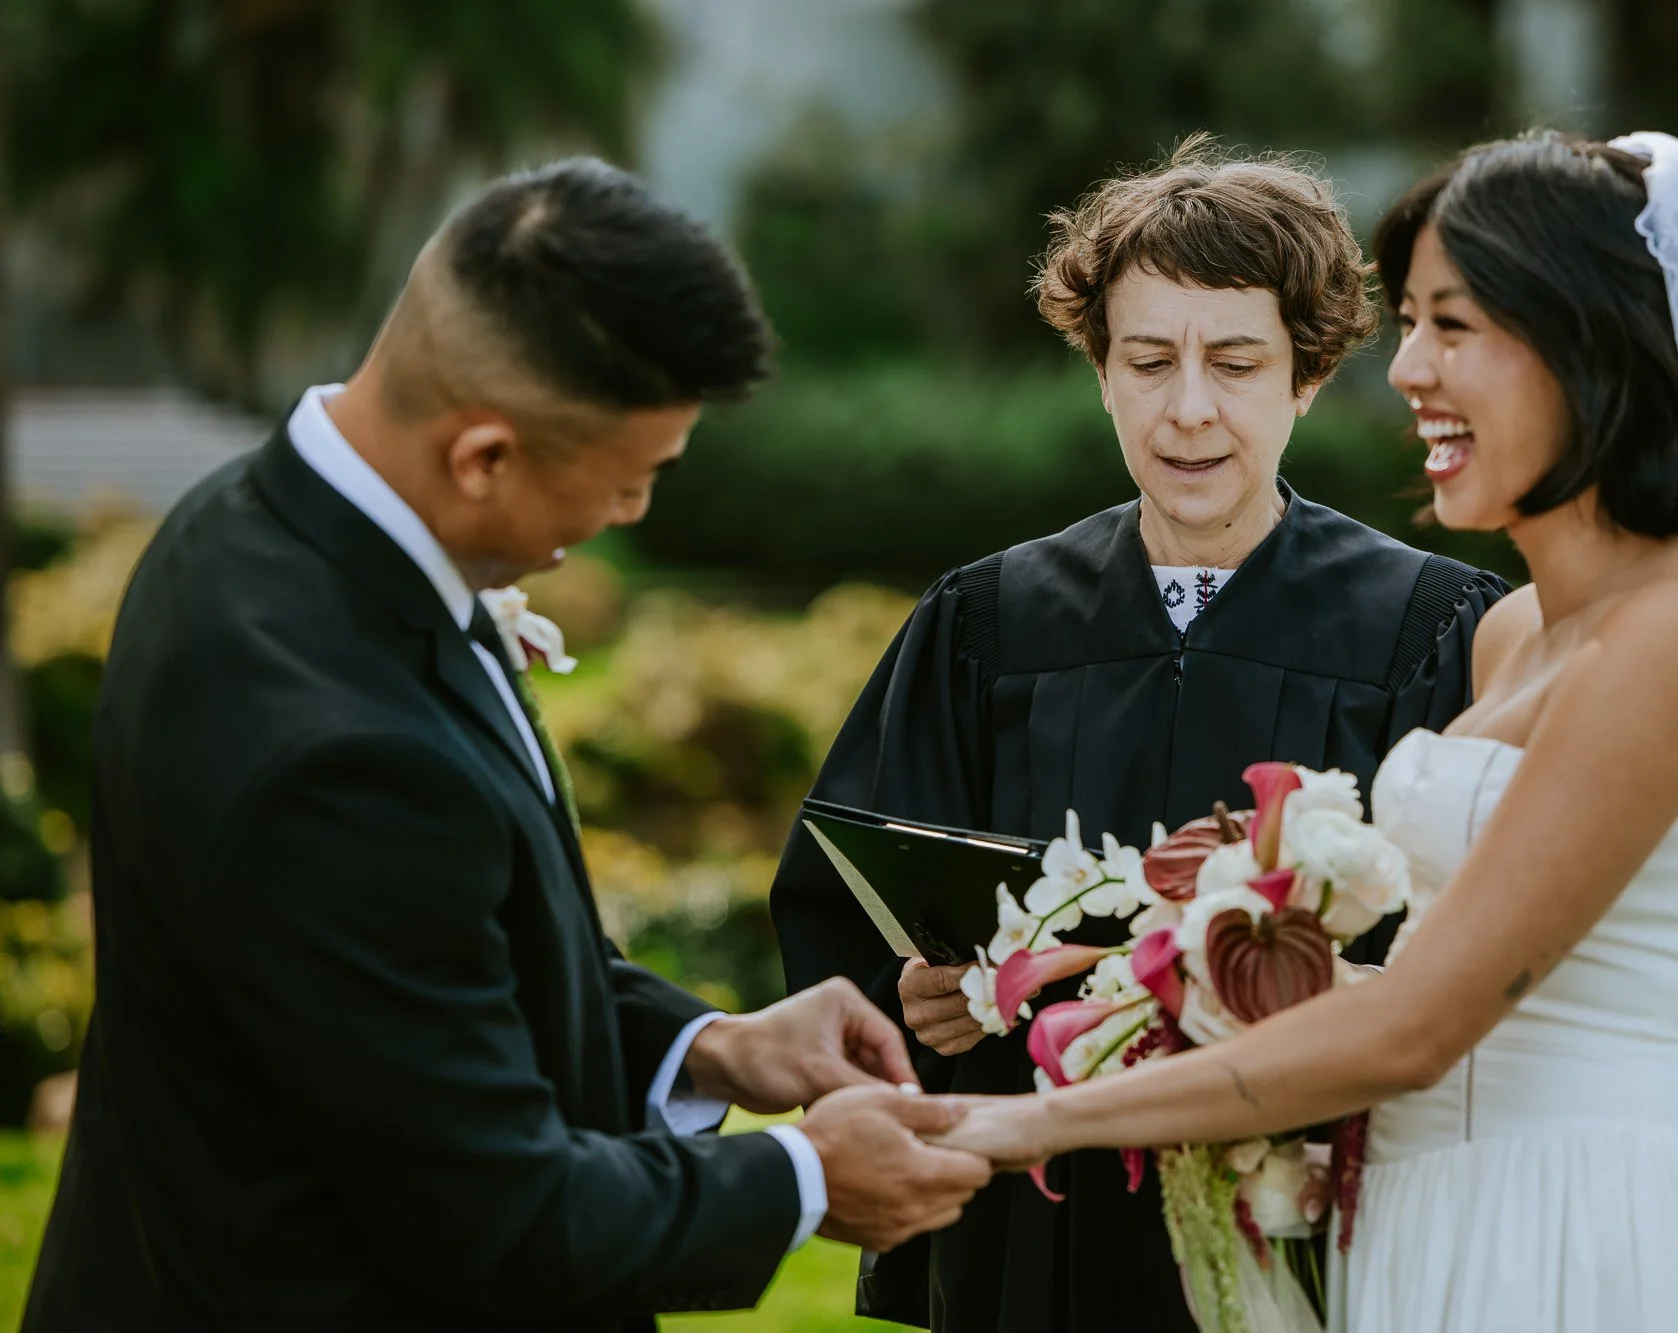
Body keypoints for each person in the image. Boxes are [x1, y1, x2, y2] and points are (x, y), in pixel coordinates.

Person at [935, 130, 1678, 1333]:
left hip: (1581, 1239)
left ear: (1583, 345)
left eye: (1454, 325)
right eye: (1414, 325)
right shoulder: (1507, 636)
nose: (1405, 370)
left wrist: (1021, 1121)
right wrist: (1166, 978)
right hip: (1423, 1225)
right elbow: (1451, 963)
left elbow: (1422, 1023)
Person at [24, 159, 993, 1332]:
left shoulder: (249, 524)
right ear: (482, 457)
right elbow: (504, 1216)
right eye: (630, 483)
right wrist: (803, 1178)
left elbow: (433, 966)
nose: (630, 518)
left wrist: (712, 1046)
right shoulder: (334, 760)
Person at [770, 136, 1509, 1331]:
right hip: (1032, 1228)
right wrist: (909, 994)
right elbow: (843, 902)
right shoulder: (988, 624)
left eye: (1234, 361)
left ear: (1307, 375)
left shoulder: (1422, 631)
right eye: (1147, 359)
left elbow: (1472, 949)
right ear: (1099, 369)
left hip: (1297, 1212)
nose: (1189, 409)